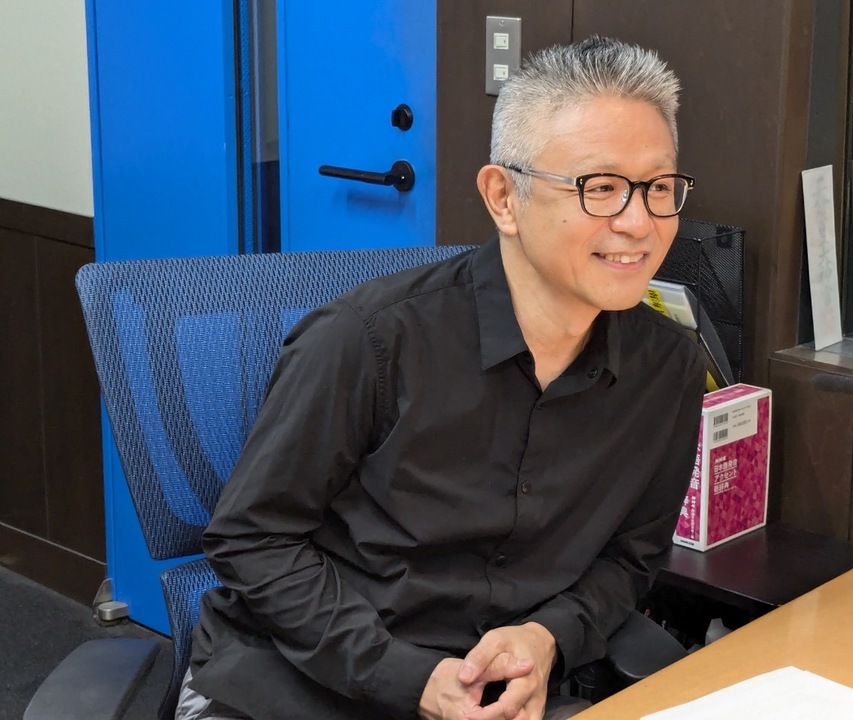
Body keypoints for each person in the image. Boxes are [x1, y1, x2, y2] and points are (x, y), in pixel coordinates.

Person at [177, 35, 705, 720]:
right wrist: (410, 678)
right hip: (306, 681)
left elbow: (631, 557)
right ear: (503, 197)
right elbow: (252, 539)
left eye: (658, 188)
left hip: (500, 694)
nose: (638, 222)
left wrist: (548, 636)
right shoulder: (367, 341)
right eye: (599, 188)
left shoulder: (667, 368)